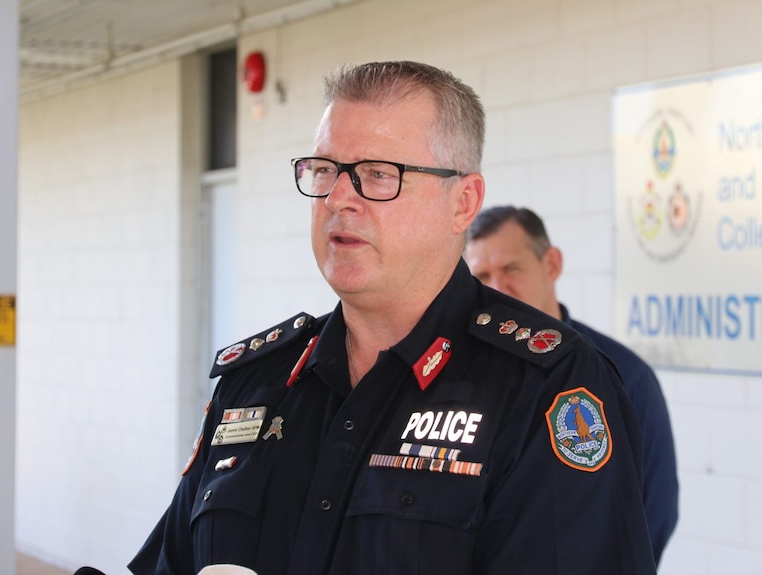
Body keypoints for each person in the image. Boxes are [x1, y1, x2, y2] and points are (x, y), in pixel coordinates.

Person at [129, 61, 656, 575]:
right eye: (324, 171)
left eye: (378, 175)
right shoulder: (254, 384)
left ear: (463, 202)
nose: (338, 198)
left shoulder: (547, 387)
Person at [464, 205, 679, 564]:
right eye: (482, 276)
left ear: (551, 264)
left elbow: (653, 510)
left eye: (511, 269)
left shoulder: (622, 374)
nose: (497, 288)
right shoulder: (459, 373)